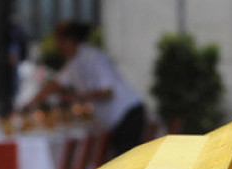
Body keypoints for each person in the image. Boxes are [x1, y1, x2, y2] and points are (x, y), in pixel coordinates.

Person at [23, 22, 147, 156]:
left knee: (126, 164)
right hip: (120, 118)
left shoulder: (92, 57)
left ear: (70, 41)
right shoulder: (74, 63)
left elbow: (108, 92)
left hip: (127, 114)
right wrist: (31, 103)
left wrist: (74, 98)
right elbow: (54, 85)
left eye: (60, 42)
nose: (58, 47)